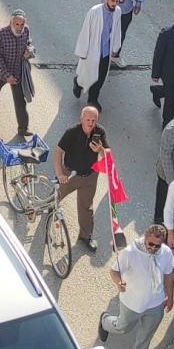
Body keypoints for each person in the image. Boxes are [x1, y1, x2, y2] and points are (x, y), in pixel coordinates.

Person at [97, 223, 174, 349]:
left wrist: (170, 297)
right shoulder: (131, 252)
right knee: (123, 327)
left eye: (157, 245)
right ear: (145, 238)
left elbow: (168, 276)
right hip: (132, 302)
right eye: (150, 244)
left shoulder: (166, 253)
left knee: (148, 331)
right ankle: (105, 321)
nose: (153, 248)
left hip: (155, 302)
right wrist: (118, 282)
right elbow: (114, 271)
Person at [54, 106, 108, 253]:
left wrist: (100, 150)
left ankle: (85, 236)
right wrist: (60, 174)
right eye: (88, 120)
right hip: (70, 174)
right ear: (81, 118)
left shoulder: (100, 132)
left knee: (86, 207)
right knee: (57, 195)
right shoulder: (72, 132)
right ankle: (51, 210)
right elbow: (58, 152)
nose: (90, 123)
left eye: (93, 120)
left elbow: (108, 155)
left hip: (90, 176)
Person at [0, 11, 34, 136]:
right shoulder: (1, 34)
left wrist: (29, 51)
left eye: (22, 24)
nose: (19, 27)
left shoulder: (26, 30)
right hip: (1, 71)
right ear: (11, 22)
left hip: (17, 71)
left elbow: (29, 44)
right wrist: (7, 76)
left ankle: (23, 128)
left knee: (20, 101)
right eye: (17, 24)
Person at [73, 0, 122, 111]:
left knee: (100, 77)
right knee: (87, 74)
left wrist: (115, 48)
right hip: (92, 50)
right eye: (112, 1)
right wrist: (82, 51)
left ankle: (93, 99)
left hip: (106, 52)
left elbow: (117, 29)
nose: (114, 4)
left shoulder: (117, 11)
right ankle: (77, 83)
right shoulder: (94, 11)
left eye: (116, 1)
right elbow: (85, 31)